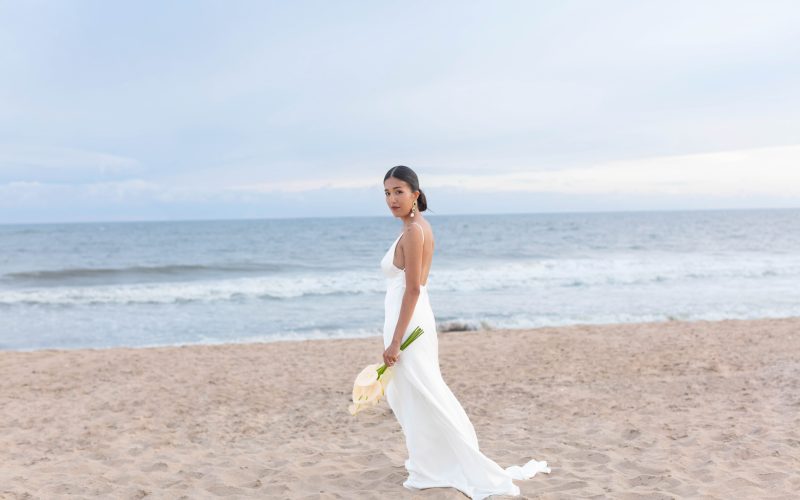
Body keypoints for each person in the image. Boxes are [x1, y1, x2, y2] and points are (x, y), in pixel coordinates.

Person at [380, 165, 551, 499]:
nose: (392, 199)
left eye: (399, 191)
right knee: (418, 392)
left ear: (415, 194)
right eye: (387, 193)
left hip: (408, 322)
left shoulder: (414, 231)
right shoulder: (418, 227)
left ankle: (443, 461)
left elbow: (413, 288)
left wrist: (396, 340)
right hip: (412, 317)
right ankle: (433, 459)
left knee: (422, 392)